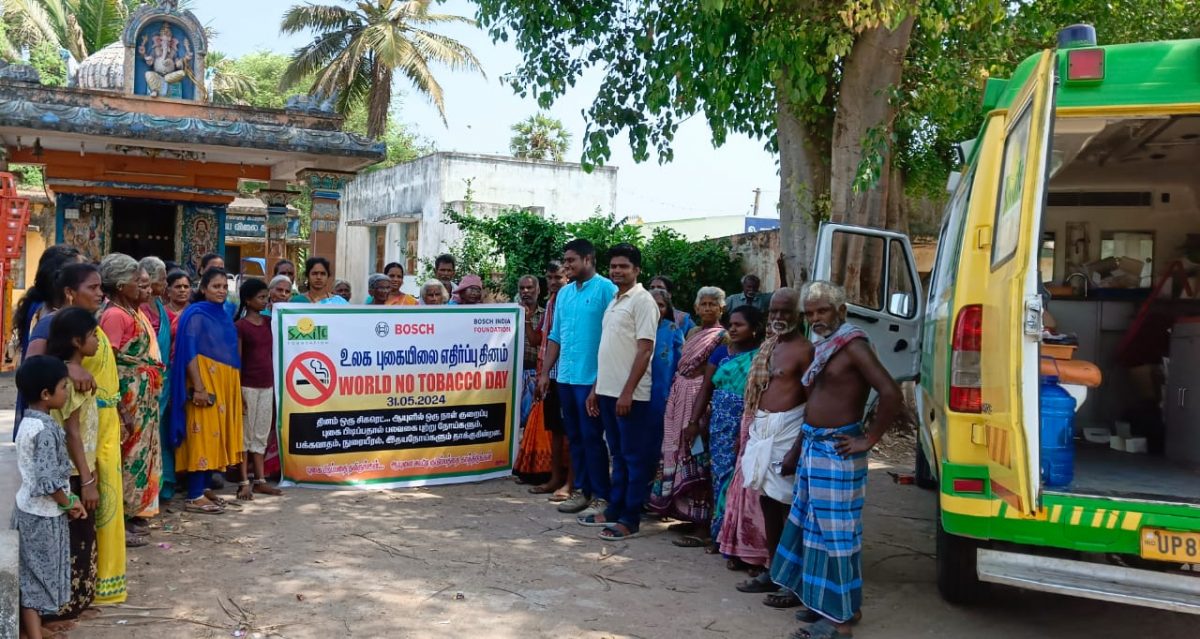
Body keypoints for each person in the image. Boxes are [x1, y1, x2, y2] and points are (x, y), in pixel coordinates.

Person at [772, 282, 902, 638]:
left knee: (837, 536)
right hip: (815, 447)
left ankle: (839, 624)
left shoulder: (854, 345)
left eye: (822, 311)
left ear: (840, 311)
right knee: (813, 530)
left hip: (837, 450)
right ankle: (835, 608)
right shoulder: (824, 345)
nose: (815, 319)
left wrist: (868, 439)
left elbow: (891, 393)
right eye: (810, 313)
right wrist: (799, 447)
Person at [30, 262, 127, 604]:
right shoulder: (52, 323)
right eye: (93, 288)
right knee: (84, 509)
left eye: (102, 287)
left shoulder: (92, 327)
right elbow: (32, 371)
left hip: (101, 425)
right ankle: (69, 598)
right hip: (78, 430)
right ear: (70, 292)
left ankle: (99, 586)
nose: (101, 293)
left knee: (103, 507)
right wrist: (66, 366)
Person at [725, 288, 812, 607]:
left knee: (788, 507)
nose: (778, 318)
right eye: (774, 312)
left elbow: (814, 401)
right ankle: (775, 571)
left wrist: (797, 448)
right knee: (767, 502)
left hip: (788, 433)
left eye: (785, 312)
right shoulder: (769, 347)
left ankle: (793, 581)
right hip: (763, 429)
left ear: (798, 316)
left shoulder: (806, 351)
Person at [576, 244, 658, 541]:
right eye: (613, 266)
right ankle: (614, 511)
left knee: (634, 458)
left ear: (636, 270)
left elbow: (645, 350)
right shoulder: (614, 300)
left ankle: (630, 518)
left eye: (623, 266)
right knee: (618, 456)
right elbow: (608, 350)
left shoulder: (643, 301)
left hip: (631, 396)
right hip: (608, 392)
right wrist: (596, 389)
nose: (616, 271)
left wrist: (626, 392)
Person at [539, 239, 617, 516]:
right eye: (566, 260)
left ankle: (601, 495)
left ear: (588, 259)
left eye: (571, 260)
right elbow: (555, 337)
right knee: (574, 436)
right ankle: (581, 491)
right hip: (567, 378)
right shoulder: (565, 294)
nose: (567, 265)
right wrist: (546, 372)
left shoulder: (607, 289)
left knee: (592, 437)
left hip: (592, 379)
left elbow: (612, 338)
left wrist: (599, 382)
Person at [12, 355, 87, 639]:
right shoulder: (45, 430)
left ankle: (37, 625)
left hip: (33, 509)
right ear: (46, 394)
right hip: (41, 515)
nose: (67, 393)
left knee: (36, 569)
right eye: (63, 387)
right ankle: (33, 633)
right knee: (35, 575)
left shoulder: (29, 423)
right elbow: (47, 480)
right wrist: (69, 503)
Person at [649, 286, 727, 544]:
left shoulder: (723, 337)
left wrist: (698, 414)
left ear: (721, 308)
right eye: (702, 304)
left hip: (699, 399)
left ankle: (704, 526)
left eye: (712, 304)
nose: (707, 308)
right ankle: (687, 515)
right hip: (679, 394)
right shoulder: (692, 332)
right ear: (695, 308)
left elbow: (713, 374)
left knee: (698, 456)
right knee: (678, 451)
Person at [98, 254, 166, 546]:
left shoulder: (131, 311)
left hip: (142, 396)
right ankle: (121, 519)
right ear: (121, 285)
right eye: (138, 283)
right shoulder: (115, 315)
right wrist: (118, 405)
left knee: (141, 453)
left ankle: (136, 510)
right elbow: (108, 361)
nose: (145, 290)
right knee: (128, 455)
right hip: (128, 397)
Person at [684, 305, 764, 550]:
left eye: (739, 325)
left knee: (741, 479)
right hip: (719, 425)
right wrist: (694, 422)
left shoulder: (762, 357)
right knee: (719, 476)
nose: (733, 328)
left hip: (747, 424)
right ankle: (718, 532)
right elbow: (706, 389)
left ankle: (737, 537)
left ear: (754, 329)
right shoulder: (720, 354)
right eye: (731, 324)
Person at [169, 269, 245, 515]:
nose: (221, 290)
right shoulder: (196, 314)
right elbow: (189, 352)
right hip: (203, 382)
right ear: (203, 288)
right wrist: (199, 387)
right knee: (201, 435)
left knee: (215, 435)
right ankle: (194, 496)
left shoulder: (223, 314)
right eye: (215, 286)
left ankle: (203, 489)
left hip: (223, 382)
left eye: (224, 286)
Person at [44, 308, 102, 622]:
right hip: (73, 472)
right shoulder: (69, 381)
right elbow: (73, 432)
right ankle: (65, 609)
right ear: (77, 341)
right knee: (75, 539)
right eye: (92, 335)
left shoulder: (73, 374)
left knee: (83, 537)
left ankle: (76, 603)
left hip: (80, 468)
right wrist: (88, 479)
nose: (96, 340)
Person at [14, 245, 84, 426]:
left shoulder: (44, 306)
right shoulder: (47, 314)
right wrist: (69, 367)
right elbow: (36, 363)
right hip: (47, 399)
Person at [235, 279, 282, 500]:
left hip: (267, 385)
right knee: (245, 435)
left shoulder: (269, 322)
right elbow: (239, 359)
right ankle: (244, 481)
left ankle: (260, 480)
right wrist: (237, 391)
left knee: (261, 434)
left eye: (266, 297)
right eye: (261, 297)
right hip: (247, 386)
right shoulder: (241, 326)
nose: (265, 301)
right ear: (248, 300)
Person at [529, 262, 573, 499]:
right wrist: (544, 373)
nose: (553, 281)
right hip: (553, 373)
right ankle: (555, 478)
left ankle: (571, 483)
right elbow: (545, 338)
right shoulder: (552, 303)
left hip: (572, 373)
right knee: (556, 428)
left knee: (573, 431)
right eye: (549, 277)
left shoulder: (570, 299)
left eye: (558, 277)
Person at [648, 289, 683, 435]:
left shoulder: (672, 329)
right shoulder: (634, 326)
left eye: (661, 305)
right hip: (638, 389)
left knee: (659, 432)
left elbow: (682, 361)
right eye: (652, 304)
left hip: (663, 390)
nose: (656, 309)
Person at [517, 275, 544, 428]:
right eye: (522, 288)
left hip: (536, 372)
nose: (525, 291)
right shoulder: (510, 314)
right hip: (515, 374)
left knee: (533, 420)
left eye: (529, 288)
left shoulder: (546, 315)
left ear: (538, 290)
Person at [648, 275, 696, 340]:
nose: (655, 290)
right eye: (652, 288)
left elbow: (696, 343)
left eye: (660, 288)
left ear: (669, 294)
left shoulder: (683, 319)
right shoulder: (641, 316)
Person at [199, 253, 238, 319]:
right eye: (213, 268)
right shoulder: (190, 297)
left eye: (221, 269)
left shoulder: (232, 300)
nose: (217, 272)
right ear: (202, 270)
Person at [164, 270, 191, 337]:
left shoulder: (194, 312)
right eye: (178, 287)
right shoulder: (161, 313)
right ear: (168, 291)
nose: (182, 290)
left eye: (186, 287)